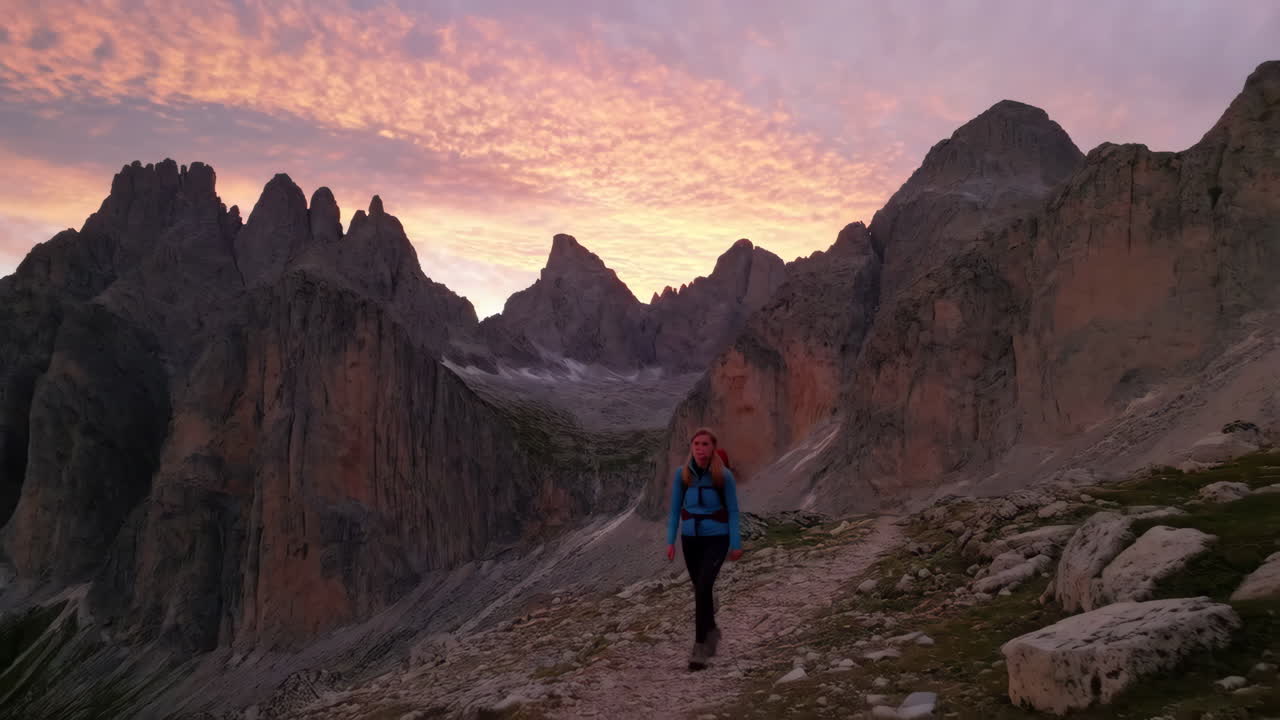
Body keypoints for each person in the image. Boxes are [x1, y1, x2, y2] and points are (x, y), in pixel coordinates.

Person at [665, 427, 743, 671]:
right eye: (696, 444)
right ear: (692, 448)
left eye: (705, 444)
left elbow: (732, 511)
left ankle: (700, 648)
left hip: (716, 539)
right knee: (701, 588)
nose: (700, 448)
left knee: (703, 587)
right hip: (690, 539)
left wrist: (736, 544)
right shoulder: (682, 475)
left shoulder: (724, 476)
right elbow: (675, 510)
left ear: (713, 448)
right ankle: (712, 633)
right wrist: (670, 542)